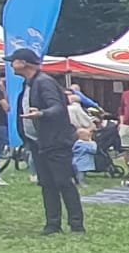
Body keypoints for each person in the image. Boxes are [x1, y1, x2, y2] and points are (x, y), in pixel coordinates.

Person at [9, 49, 83, 235]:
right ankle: (53, 224)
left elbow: (58, 107)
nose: (11, 65)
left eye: (13, 61)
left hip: (55, 141)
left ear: (23, 63)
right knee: (47, 184)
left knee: (63, 182)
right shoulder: (29, 84)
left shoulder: (44, 82)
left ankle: (76, 225)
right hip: (38, 142)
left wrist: (41, 113)